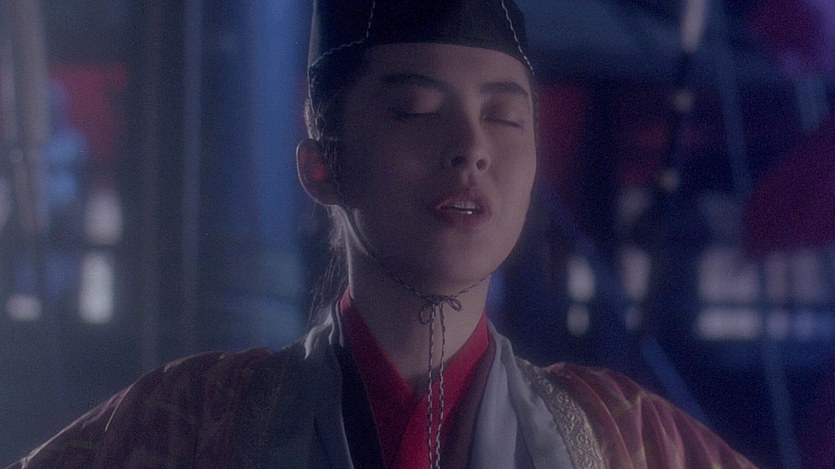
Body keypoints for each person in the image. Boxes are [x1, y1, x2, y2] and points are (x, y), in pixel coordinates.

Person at [7, 1, 757, 467]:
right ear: (322, 166)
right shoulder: (188, 423)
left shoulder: (626, 438)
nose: (471, 148)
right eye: (415, 110)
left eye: (504, 116)